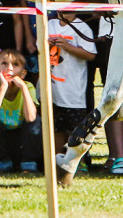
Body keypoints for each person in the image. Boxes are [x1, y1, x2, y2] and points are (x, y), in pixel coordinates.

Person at [46, 11, 96, 155]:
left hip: (74, 93)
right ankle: (56, 160)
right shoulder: (50, 24)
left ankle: (80, 162)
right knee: (56, 129)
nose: (64, 9)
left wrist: (68, 47)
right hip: (54, 91)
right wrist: (47, 44)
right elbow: (39, 48)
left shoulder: (83, 27)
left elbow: (91, 55)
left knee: (77, 130)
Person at [0, 48, 39, 173]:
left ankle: (29, 162)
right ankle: (3, 162)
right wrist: (3, 87)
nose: (9, 68)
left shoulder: (28, 87)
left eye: (15, 65)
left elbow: (31, 118)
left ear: (23, 74)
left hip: (22, 140)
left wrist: (23, 87)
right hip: (3, 142)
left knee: (36, 122)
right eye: (4, 64)